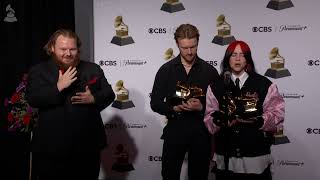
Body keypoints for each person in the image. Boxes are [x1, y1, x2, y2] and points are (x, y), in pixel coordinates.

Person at [26, 29, 115, 180]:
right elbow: (33, 99)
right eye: (63, 49)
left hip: (87, 146)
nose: (68, 53)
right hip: (52, 147)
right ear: (52, 48)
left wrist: (93, 98)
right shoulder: (39, 71)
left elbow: (109, 94)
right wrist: (58, 87)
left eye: (72, 49)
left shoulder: (92, 69)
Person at [204, 40, 285, 180]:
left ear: (247, 59)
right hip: (226, 156)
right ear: (227, 58)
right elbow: (209, 118)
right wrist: (219, 121)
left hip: (255, 156)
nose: (237, 58)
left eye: (242, 55)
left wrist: (259, 121)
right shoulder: (215, 86)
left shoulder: (264, 85)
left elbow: (277, 115)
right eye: (234, 54)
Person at [150, 24, 221, 180]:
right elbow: (155, 102)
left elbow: (218, 106)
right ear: (177, 44)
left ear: (198, 43)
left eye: (193, 47)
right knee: (169, 176)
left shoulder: (210, 72)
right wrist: (173, 108)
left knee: (199, 176)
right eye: (185, 48)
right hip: (174, 131)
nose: (189, 52)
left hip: (201, 134)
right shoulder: (166, 70)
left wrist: (202, 107)